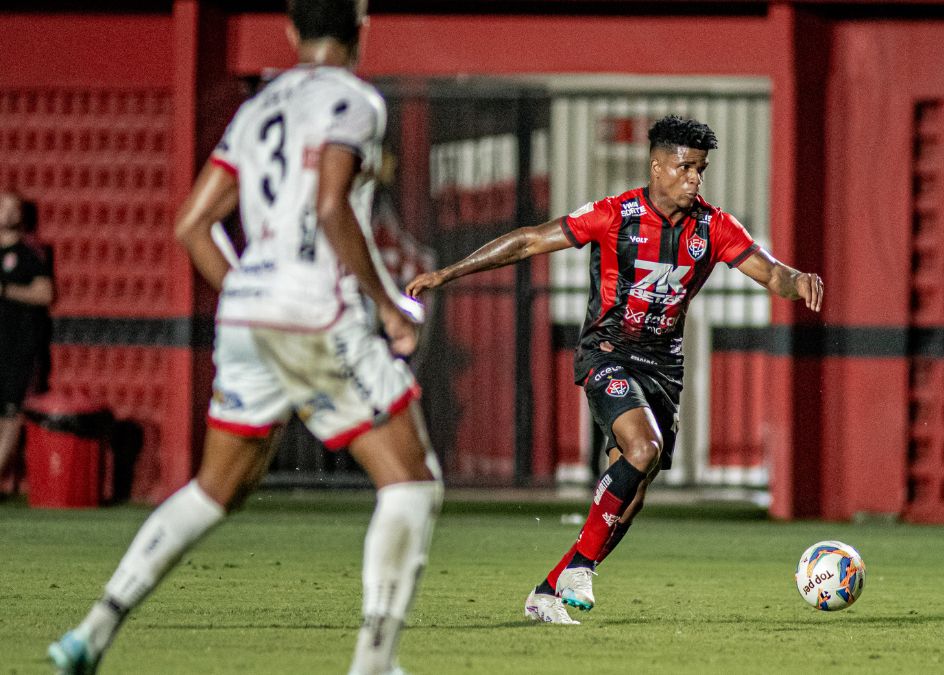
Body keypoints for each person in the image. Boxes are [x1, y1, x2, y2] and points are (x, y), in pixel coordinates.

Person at [49, 2, 440, 673]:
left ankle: (92, 628)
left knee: (214, 489)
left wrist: (248, 295)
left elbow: (192, 225)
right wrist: (389, 306)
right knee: (412, 483)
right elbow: (329, 206)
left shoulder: (256, 109)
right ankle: (374, 664)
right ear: (360, 26)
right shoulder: (354, 100)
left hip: (244, 312)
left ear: (291, 31)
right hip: (314, 309)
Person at [406, 115, 824, 624]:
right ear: (657, 165)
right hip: (608, 353)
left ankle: (546, 592)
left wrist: (797, 279)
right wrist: (450, 273)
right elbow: (531, 241)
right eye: (685, 166)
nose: (695, 178)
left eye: (701, 169)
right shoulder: (614, 214)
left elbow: (770, 272)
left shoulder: (714, 227)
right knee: (642, 449)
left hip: (665, 368)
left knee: (632, 496)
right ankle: (581, 568)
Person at [0, 191, 54, 496]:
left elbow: (45, 294)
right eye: (3, 207)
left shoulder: (29, 254)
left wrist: (6, 290)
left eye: (13, 208)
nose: (7, 214)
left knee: (12, 413)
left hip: (18, 346)